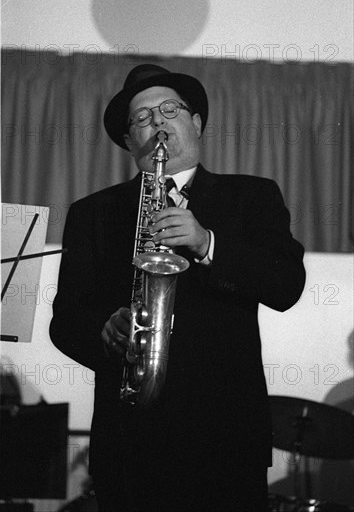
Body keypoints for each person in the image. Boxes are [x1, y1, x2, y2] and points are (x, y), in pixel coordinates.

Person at [50, 64, 306, 511]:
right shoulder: (92, 212)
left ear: (197, 123)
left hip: (226, 436)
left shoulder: (252, 196)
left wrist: (207, 242)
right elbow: (65, 321)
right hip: (129, 437)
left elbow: (286, 286)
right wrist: (104, 331)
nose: (157, 124)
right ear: (130, 141)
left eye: (170, 110)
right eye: (142, 118)